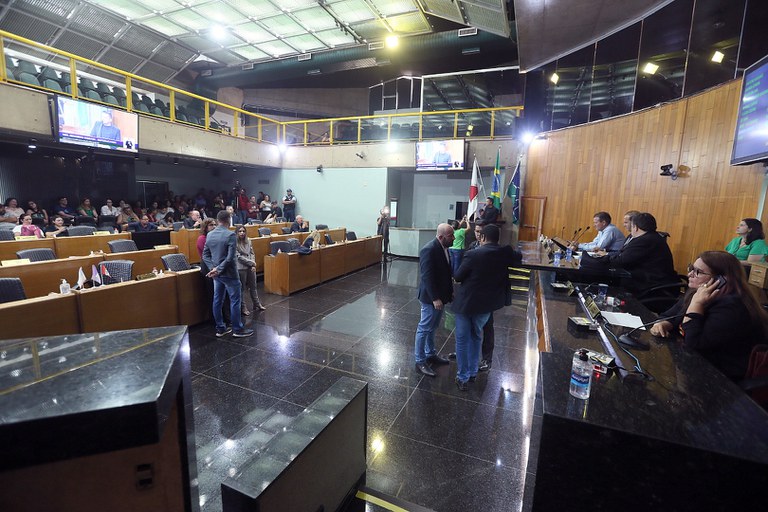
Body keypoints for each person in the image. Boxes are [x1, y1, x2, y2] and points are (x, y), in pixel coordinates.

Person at [650, 251, 768, 381]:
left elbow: (693, 344)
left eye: (698, 272)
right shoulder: (698, 293)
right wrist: (663, 323)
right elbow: (667, 315)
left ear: (721, 280)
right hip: (697, 363)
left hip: (723, 377)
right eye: (691, 268)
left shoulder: (732, 307)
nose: (690, 274)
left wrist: (697, 304)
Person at [451, 224, 523, 390]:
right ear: (498, 238)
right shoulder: (505, 252)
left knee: (462, 339)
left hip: (467, 304)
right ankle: (472, 372)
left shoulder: (473, 254)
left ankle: (462, 376)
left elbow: (458, 276)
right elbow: (518, 256)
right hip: (487, 305)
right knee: (476, 335)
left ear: (482, 237)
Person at [594, 212, 678, 311]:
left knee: (608, 283)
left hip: (651, 287)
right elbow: (622, 254)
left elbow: (622, 260)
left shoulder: (644, 240)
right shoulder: (652, 237)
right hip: (652, 282)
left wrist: (601, 259)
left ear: (636, 227)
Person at [202, 210, 253, 338]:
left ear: (218, 220)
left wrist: (213, 268)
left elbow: (205, 255)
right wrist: (218, 269)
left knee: (217, 300)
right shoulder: (230, 235)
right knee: (235, 301)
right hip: (229, 273)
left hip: (216, 274)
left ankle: (220, 328)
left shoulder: (210, 234)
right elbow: (230, 258)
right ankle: (237, 329)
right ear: (229, 220)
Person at [413, 223, 455, 377]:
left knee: (433, 327)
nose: (454, 238)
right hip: (431, 298)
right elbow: (427, 276)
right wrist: (435, 298)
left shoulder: (445, 248)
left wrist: (449, 292)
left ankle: (430, 353)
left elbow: (446, 273)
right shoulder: (429, 250)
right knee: (424, 328)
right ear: (441, 237)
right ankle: (420, 360)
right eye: (451, 235)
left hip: (440, 297)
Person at [235, 226, 266, 316]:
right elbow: (238, 257)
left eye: (243, 231)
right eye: (240, 231)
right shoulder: (234, 242)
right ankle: (243, 307)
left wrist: (252, 264)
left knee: (253, 286)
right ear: (236, 232)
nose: (242, 233)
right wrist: (251, 263)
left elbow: (252, 253)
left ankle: (257, 303)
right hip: (241, 267)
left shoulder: (248, 240)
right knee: (242, 289)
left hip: (250, 267)